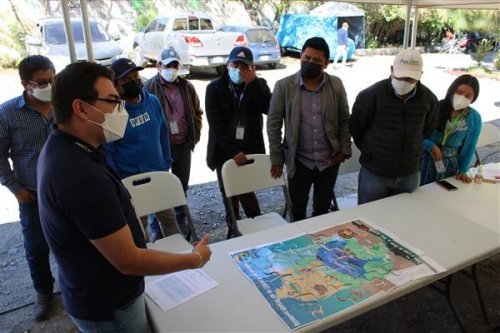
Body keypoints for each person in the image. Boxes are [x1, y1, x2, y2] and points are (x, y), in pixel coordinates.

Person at [37, 61, 211, 333]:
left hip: (99, 296)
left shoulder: (65, 146)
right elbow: (129, 260)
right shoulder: (81, 177)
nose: (122, 111)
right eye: (113, 102)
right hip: (110, 307)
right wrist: (193, 260)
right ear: (81, 108)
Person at [267, 37, 351, 221]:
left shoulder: (336, 85)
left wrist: (344, 149)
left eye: (316, 60)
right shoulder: (284, 86)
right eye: (306, 58)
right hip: (299, 161)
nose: (310, 63)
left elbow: (345, 119)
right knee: (297, 210)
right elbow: (273, 124)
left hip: (328, 161)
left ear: (326, 64)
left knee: (322, 211)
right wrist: (277, 157)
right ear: (301, 57)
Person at [0, 55, 56, 321]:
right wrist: (15, 188)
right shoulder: (8, 112)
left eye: (53, 79)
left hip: (66, 189)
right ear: (26, 84)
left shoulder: (64, 105)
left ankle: (75, 286)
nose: (50, 86)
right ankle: (44, 293)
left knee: (76, 240)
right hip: (32, 194)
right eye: (43, 82)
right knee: (36, 247)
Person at [350, 49, 438, 204]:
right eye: (401, 76)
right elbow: (357, 128)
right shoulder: (370, 95)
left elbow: (427, 130)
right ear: (391, 70)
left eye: (411, 79)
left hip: (409, 173)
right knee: (368, 218)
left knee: (402, 219)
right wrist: (372, 152)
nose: (404, 82)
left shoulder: (429, 99)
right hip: (374, 173)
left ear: (420, 75)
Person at [106, 58, 175, 242]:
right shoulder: (114, 112)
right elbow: (109, 151)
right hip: (131, 181)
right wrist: (118, 182)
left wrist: (166, 162)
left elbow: (163, 133)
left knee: (169, 221)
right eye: (126, 79)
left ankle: (180, 259)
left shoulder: (152, 101)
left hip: (157, 173)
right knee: (138, 227)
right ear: (116, 85)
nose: (134, 81)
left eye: (135, 75)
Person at [205, 46, 271, 236]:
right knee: (228, 191)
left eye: (244, 66)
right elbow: (215, 124)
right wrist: (233, 152)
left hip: (250, 149)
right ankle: (233, 224)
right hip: (224, 151)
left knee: (247, 188)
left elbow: (269, 107)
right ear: (227, 65)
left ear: (252, 68)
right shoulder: (214, 88)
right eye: (235, 64)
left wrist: (253, 83)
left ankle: (254, 222)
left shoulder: (258, 84)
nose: (239, 70)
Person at [144, 47, 203, 234]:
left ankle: (180, 220)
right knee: (159, 186)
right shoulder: (148, 88)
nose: (172, 68)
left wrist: (195, 135)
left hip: (183, 145)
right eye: (168, 65)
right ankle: (156, 226)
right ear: (158, 66)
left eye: (175, 65)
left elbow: (197, 112)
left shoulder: (187, 87)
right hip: (160, 148)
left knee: (180, 186)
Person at [420, 74, 481, 185]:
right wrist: (430, 145)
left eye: (468, 96)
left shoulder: (474, 118)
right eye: (459, 92)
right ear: (452, 90)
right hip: (424, 162)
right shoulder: (435, 107)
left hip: (450, 166)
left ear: (473, 99)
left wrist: (463, 170)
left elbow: (470, 147)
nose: (462, 97)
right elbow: (415, 134)